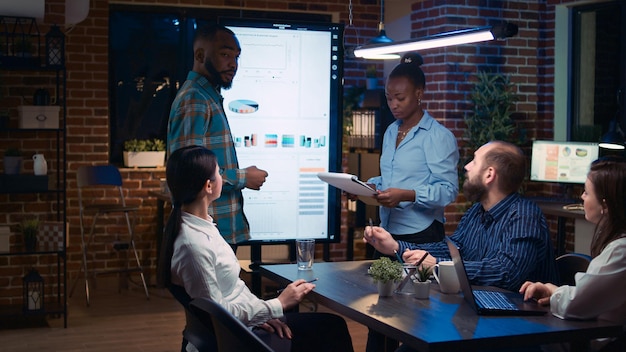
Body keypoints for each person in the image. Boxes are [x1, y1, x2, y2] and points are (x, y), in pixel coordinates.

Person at [158, 145, 354, 352]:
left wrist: (264, 313)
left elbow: (233, 290)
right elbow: (218, 314)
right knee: (332, 329)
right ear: (209, 186)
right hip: (235, 339)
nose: (222, 177)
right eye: (218, 172)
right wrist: (278, 304)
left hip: (242, 326)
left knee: (330, 326)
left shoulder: (199, 225)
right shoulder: (193, 244)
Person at [364, 140, 556, 352]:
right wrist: (396, 246)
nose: (467, 167)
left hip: (517, 331)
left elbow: (506, 273)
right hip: (478, 318)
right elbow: (451, 248)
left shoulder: (524, 215)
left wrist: (438, 265)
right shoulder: (477, 212)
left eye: (474, 161)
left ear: (489, 174)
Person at [167, 24, 268, 247]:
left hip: (216, 229)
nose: (233, 64)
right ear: (200, 55)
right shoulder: (195, 99)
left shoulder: (207, 96)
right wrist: (243, 178)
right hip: (208, 233)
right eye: (225, 54)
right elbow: (189, 173)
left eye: (236, 56)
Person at [520, 156, 626, 352]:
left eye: (586, 192)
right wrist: (553, 291)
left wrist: (554, 292)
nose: (582, 197)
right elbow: (585, 296)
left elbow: (577, 304)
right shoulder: (616, 244)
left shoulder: (621, 251)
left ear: (605, 205)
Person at [366, 52, 459, 247]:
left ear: (418, 93)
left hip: (422, 234)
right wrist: (367, 188)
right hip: (388, 229)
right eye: (389, 98)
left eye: (400, 98)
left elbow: (448, 191)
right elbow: (392, 179)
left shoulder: (438, 136)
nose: (393, 105)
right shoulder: (391, 132)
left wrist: (407, 195)